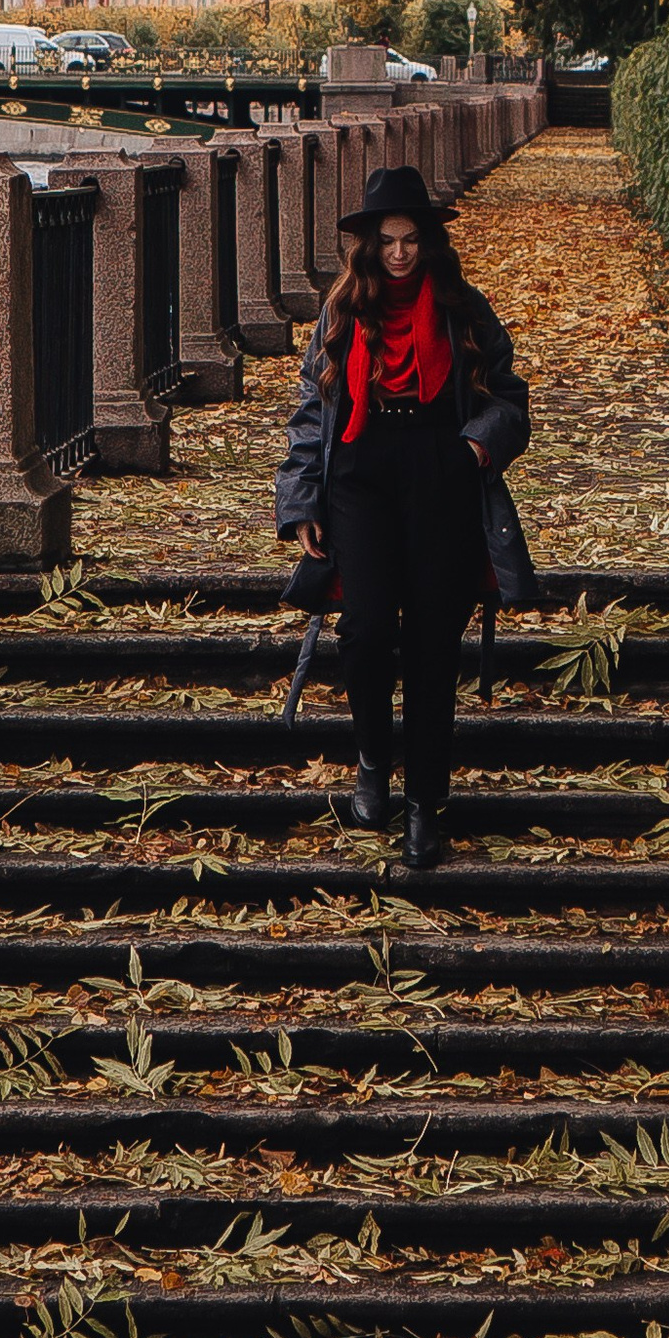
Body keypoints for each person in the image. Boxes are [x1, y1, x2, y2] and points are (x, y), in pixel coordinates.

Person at [275, 163, 533, 869]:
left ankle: (424, 805)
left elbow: (508, 398)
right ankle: (371, 760)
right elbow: (309, 413)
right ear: (366, 244)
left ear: (429, 242)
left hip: (438, 470)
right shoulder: (343, 309)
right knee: (362, 633)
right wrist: (300, 502)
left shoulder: (461, 306)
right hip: (358, 471)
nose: (398, 253)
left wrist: (474, 448)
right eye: (387, 241)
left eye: (411, 240)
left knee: (430, 644)